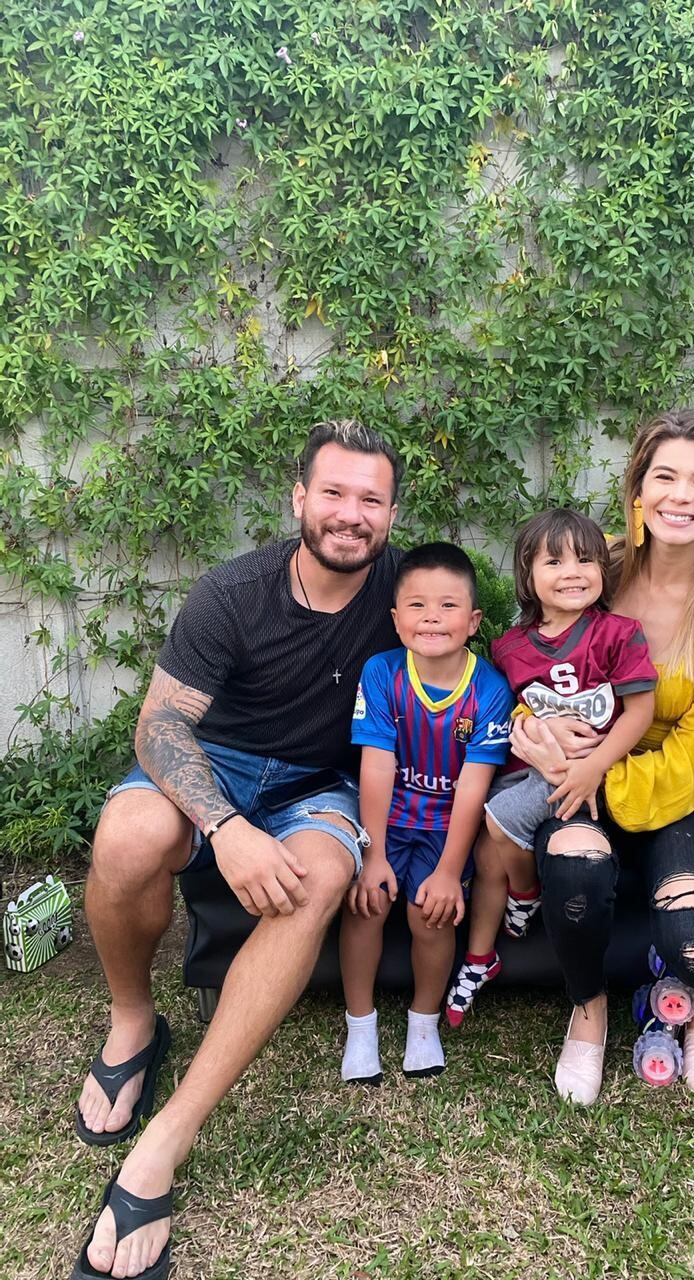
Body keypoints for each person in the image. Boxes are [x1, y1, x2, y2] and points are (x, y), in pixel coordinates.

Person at [72, 420, 403, 1280]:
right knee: (131, 835)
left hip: (316, 783)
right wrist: (225, 827)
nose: (350, 515)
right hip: (212, 762)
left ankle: (166, 1141)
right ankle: (134, 1021)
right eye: (333, 493)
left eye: (371, 499)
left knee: (320, 875)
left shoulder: (405, 590)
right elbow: (159, 724)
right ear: (300, 499)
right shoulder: (233, 593)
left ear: (391, 514)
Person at [495, 409, 694, 1105]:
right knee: (575, 872)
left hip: (671, 785)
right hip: (571, 775)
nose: (682, 496)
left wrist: (596, 771)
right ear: (639, 491)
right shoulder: (596, 569)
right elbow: (537, 661)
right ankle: (587, 1012)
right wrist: (532, 732)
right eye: (665, 476)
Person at [445, 508, 657, 1027]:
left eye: (586, 560)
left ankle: (527, 893)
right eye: (555, 561)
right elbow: (506, 708)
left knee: (498, 821)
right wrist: (531, 728)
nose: (572, 572)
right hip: (526, 768)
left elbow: (641, 711)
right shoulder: (510, 647)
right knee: (483, 845)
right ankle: (480, 956)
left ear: (603, 572)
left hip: (591, 775)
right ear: (528, 575)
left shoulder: (617, 633)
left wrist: (596, 765)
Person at [339, 542, 513, 1083]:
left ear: (474, 620)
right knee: (367, 904)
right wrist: (373, 854)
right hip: (386, 819)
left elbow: (472, 788)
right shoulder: (382, 673)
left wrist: (446, 873)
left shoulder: (489, 690)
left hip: (444, 828)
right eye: (416, 606)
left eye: (447, 606)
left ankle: (423, 1020)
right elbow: (376, 767)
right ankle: (360, 1025)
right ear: (395, 619)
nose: (431, 617)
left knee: (428, 913)